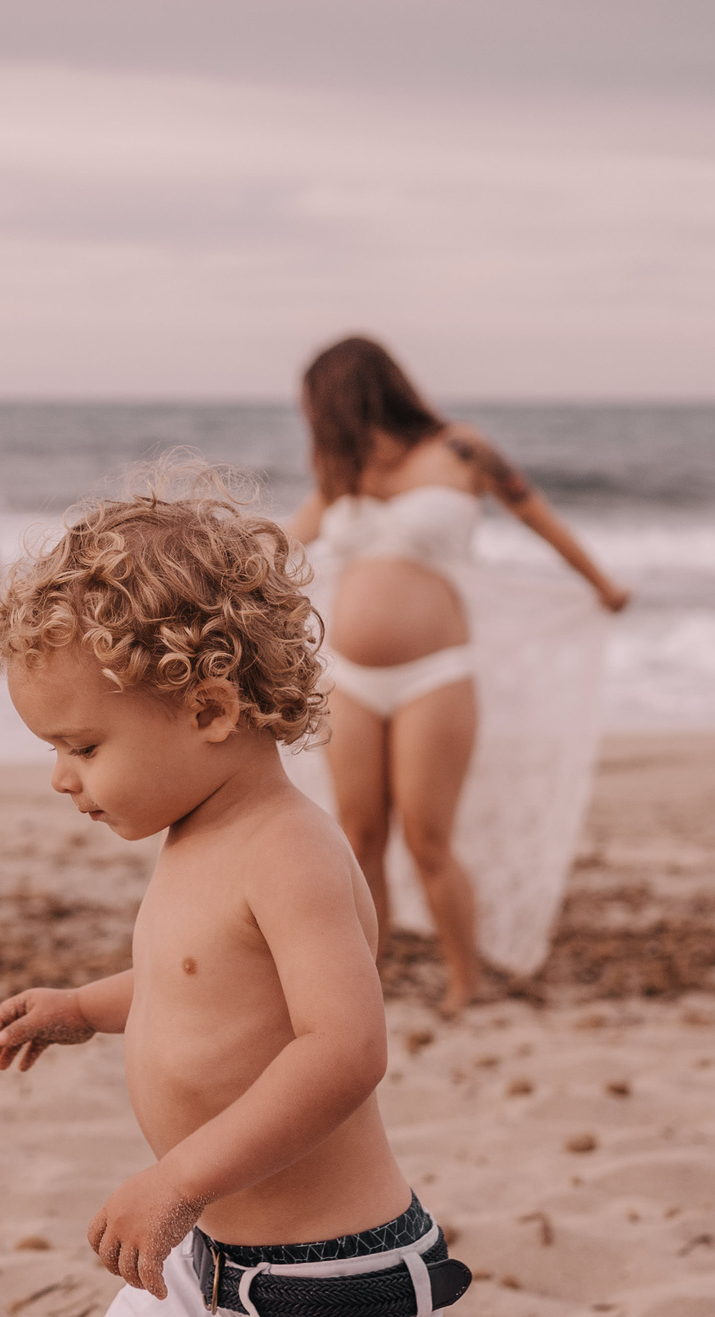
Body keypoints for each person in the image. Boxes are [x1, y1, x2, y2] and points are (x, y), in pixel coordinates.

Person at [0, 473, 470, 1317]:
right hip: (206, 1285)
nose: (61, 779)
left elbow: (342, 1047)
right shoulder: (197, 834)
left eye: (80, 747)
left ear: (205, 708)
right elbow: (188, 979)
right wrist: (86, 1008)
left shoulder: (292, 849)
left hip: (321, 1303)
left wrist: (182, 1176)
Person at [286, 335, 631, 1012]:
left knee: (427, 837)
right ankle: (364, 983)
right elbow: (285, 543)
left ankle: (464, 979)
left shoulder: (461, 450)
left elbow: (537, 516)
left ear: (347, 396)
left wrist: (602, 584)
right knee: (359, 838)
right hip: (348, 677)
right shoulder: (341, 472)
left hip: (434, 674)